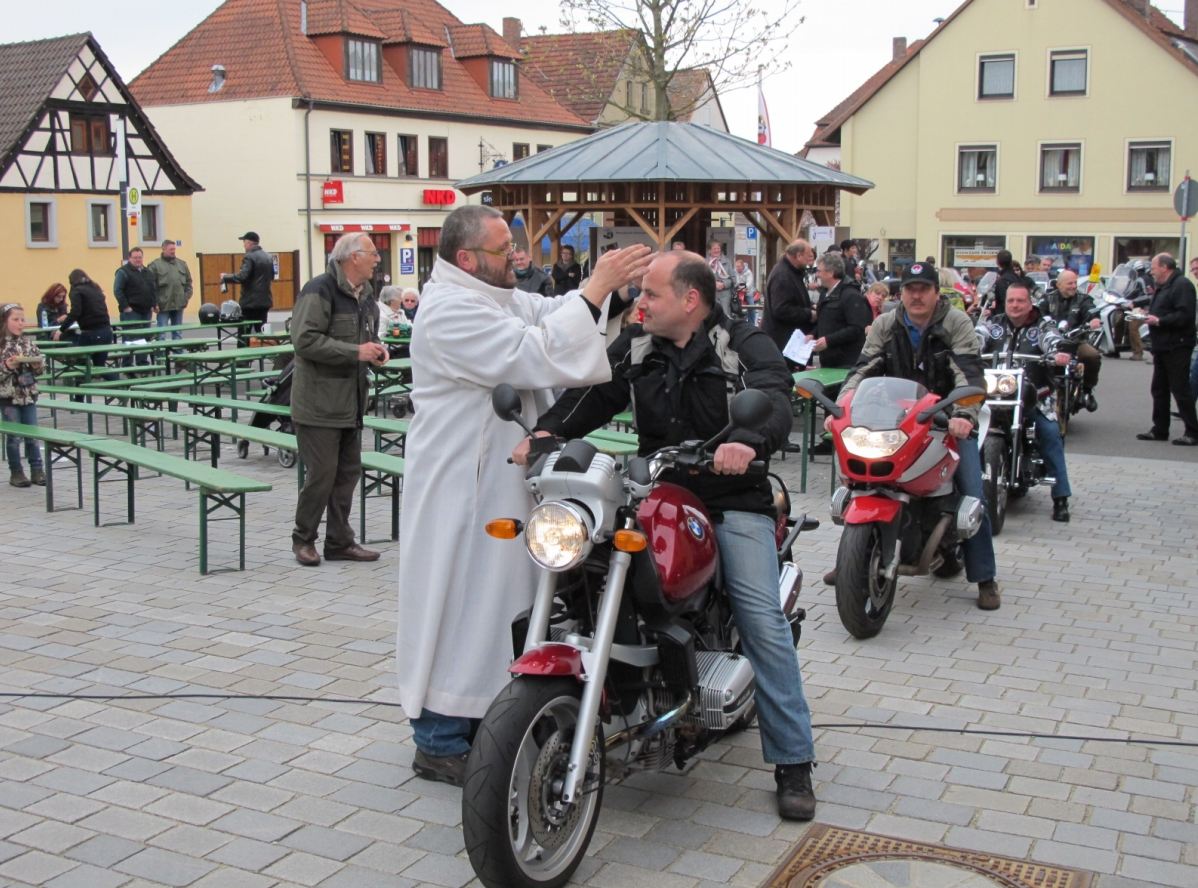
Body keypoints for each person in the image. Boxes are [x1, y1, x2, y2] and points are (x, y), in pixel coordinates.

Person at [517, 251, 819, 821]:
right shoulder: (636, 346)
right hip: (656, 493)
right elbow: (593, 394)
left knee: (760, 617)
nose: (640, 303)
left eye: (651, 294)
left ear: (690, 300)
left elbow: (776, 396)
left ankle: (794, 759)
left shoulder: (742, 343)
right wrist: (546, 430)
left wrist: (749, 442)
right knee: (583, 571)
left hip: (732, 500)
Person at [396, 205, 652, 787]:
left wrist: (606, 290)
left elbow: (552, 317)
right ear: (466, 259)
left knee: (495, 602)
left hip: (498, 482)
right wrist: (594, 289)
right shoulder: (448, 309)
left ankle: (489, 720)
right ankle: (437, 737)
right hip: (461, 485)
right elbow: (529, 354)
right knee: (456, 601)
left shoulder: (494, 296)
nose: (516, 257)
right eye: (502, 248)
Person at [831, 262, 1001, 610]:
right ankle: (853, 558)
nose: (917, 295)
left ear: (937, 292)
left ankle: (985, 577)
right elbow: (863, 368)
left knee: (971, 488)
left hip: (945, 418)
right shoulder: (886, 323)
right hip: (895, 421)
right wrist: (840, 410)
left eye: (924, 288)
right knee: (857, 477)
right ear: (901, 293)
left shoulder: (955, 322)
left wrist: (964, 414)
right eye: (911, 289)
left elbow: (968, 374)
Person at [289, 232, 390, 567]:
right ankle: (303, 539)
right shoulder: (319, 290)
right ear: (352, 257)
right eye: (372, 253)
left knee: (347, 473)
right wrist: (355, 351)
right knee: (322, 474)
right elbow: (304, 341)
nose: (378, 259)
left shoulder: (367, 296)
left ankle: (339, 541)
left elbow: (366, 337)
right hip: (319, 402)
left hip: (352, 402)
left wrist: (375, 350)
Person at [982, 284, 1073, 521]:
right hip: (993, 394)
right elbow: (974, 337)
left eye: (1020, 301)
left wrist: (1058, 352)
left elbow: (1054, 340)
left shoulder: (1042, 325)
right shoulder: (994, 324)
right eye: (1011, 300)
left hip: (1033, 396)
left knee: (1049, 432)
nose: (1015, 305)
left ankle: (1061, 497)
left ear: (1030, 303)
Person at [1136, 253, 1198, 445]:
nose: (1151, 271)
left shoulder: (1182, 285)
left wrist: (1160, 320)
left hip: (1177, 345)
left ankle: (1193, 432)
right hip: (1162, 345)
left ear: (1164, 267)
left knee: (1180, 389)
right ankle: (1160, 429)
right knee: (1159, 389)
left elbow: (1185, 315)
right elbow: (1165, 309)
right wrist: (1148, 314)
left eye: (1153, 267)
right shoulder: (1165, 286)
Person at [0, 303, 46, 488]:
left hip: (28, 395)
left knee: (32, 433)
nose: (20, 324)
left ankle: (37, 469)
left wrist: (37, 366)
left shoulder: (28, 343)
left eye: (22, 320)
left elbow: (40, 367)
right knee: (14, 436)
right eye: (15, 320)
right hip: (8, 397)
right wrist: (7, 367)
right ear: (4, 321)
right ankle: (16, 472)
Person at [1042, 269, 1102, 406]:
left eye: (1075, 283)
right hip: (1052, 342)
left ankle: (1087, 390)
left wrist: (1094, 320)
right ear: (1059, 284)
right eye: (1070, 283)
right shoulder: (1048, 298)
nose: (1074, 286)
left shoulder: (1083, 299)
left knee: (1092, 355)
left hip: (1076, 341)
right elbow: (1037, 312)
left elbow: (1091, 309)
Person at [812, 252, 871, 369]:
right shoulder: (825, 293)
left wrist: (828, 341)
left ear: (831, 273)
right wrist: (812, 334)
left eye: (819, 271)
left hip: (846, 363)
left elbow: (856, 328)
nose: (817, 275)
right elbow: (825, 321)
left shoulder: (851, 295)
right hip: (829, 361)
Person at [762, 239, 816, 358]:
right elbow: (781, 309)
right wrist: (809, 314)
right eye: (808, 256)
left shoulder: (792, 272)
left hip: (788, 340)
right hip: (784, 342)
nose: (809, 261)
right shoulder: (782, 275)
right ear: (798, 255)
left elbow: (795, 299)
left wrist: (810, 306)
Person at [53, 270, 113, 377]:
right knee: (99, 367)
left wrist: (61, 330)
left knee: (81, 366)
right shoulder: (95, 288)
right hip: (106, 330)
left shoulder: (76, 291)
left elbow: (75, 312)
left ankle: (79, 393)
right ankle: (120, 387)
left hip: (91, 332)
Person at [221, 231, 274, 331]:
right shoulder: (268, 257)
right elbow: (272, 276)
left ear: (249, 243)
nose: (243, 245)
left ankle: (242, 347)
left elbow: (242, 276)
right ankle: (263, 346)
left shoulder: (249, 256)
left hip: (250, 302)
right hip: (265, 301)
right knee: (262, 332)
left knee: (244, 333)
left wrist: (226, 277)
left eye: (244, 242)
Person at [113, 247, 157, 366]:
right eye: (135, 257)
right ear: (129, 258)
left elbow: (152, 289)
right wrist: (125, 306)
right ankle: (127, 365)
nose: (138, 260)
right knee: (131, 338)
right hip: (131, 311)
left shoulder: (147, 272)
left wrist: (154, 304)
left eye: (140, 257)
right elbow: (118, 290)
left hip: (146, 310)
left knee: (144, 338)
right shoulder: (123, 272)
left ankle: (142, 363)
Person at [147, 239, 193, 339]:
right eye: (170, 249)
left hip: (179, 304)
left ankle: (178, 354)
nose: (173, 251)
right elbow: (150, 287)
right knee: (161, 333)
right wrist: (154, 303)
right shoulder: (155, 265)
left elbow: (189, 283)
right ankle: (161, 354)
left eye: (174, 249)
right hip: (163, 306)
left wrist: (185, 297)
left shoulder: (182, 264)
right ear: (163, 249)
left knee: (178, 333)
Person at [708, 240, 734, 316]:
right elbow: (702, 279)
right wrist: (714, 284)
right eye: (714, 248)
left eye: (718, 248)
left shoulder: (727, 262)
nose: (717, 250)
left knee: (725, 318)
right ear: (710, 250)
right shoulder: (705, 263)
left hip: (725, 296)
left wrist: (723, 284)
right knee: (711, 318)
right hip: (711, 295)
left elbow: (733, 279)